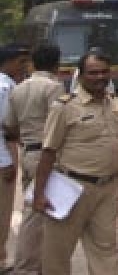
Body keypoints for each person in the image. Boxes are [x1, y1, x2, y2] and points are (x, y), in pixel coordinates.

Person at [32, 49, 118, 275]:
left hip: (107, 189)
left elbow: (114, 146)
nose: (100, 77)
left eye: (104, 72)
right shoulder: (64, 107)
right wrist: (39, 194)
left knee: (106, 249)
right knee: (57, 253)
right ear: (81, 75)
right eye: (93, 73)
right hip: (72, 189)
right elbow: (48, 152)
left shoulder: (115, 104)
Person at [3, 44, 64, 275]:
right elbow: (58, 123)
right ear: (56, 64)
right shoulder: (54, 88)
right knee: (37, 212)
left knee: (34, 209)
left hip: (28, 151)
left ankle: (35, 263)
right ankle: (28, 266)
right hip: (46, 155)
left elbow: (9, 126)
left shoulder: (18, 89)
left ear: (33, 63)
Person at [0, 45, 28, 271]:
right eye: (21, 61)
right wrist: (5, 160)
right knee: (2, 209)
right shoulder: (4, 87)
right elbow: (3, 127)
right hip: (2, 154)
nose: (24, 67)